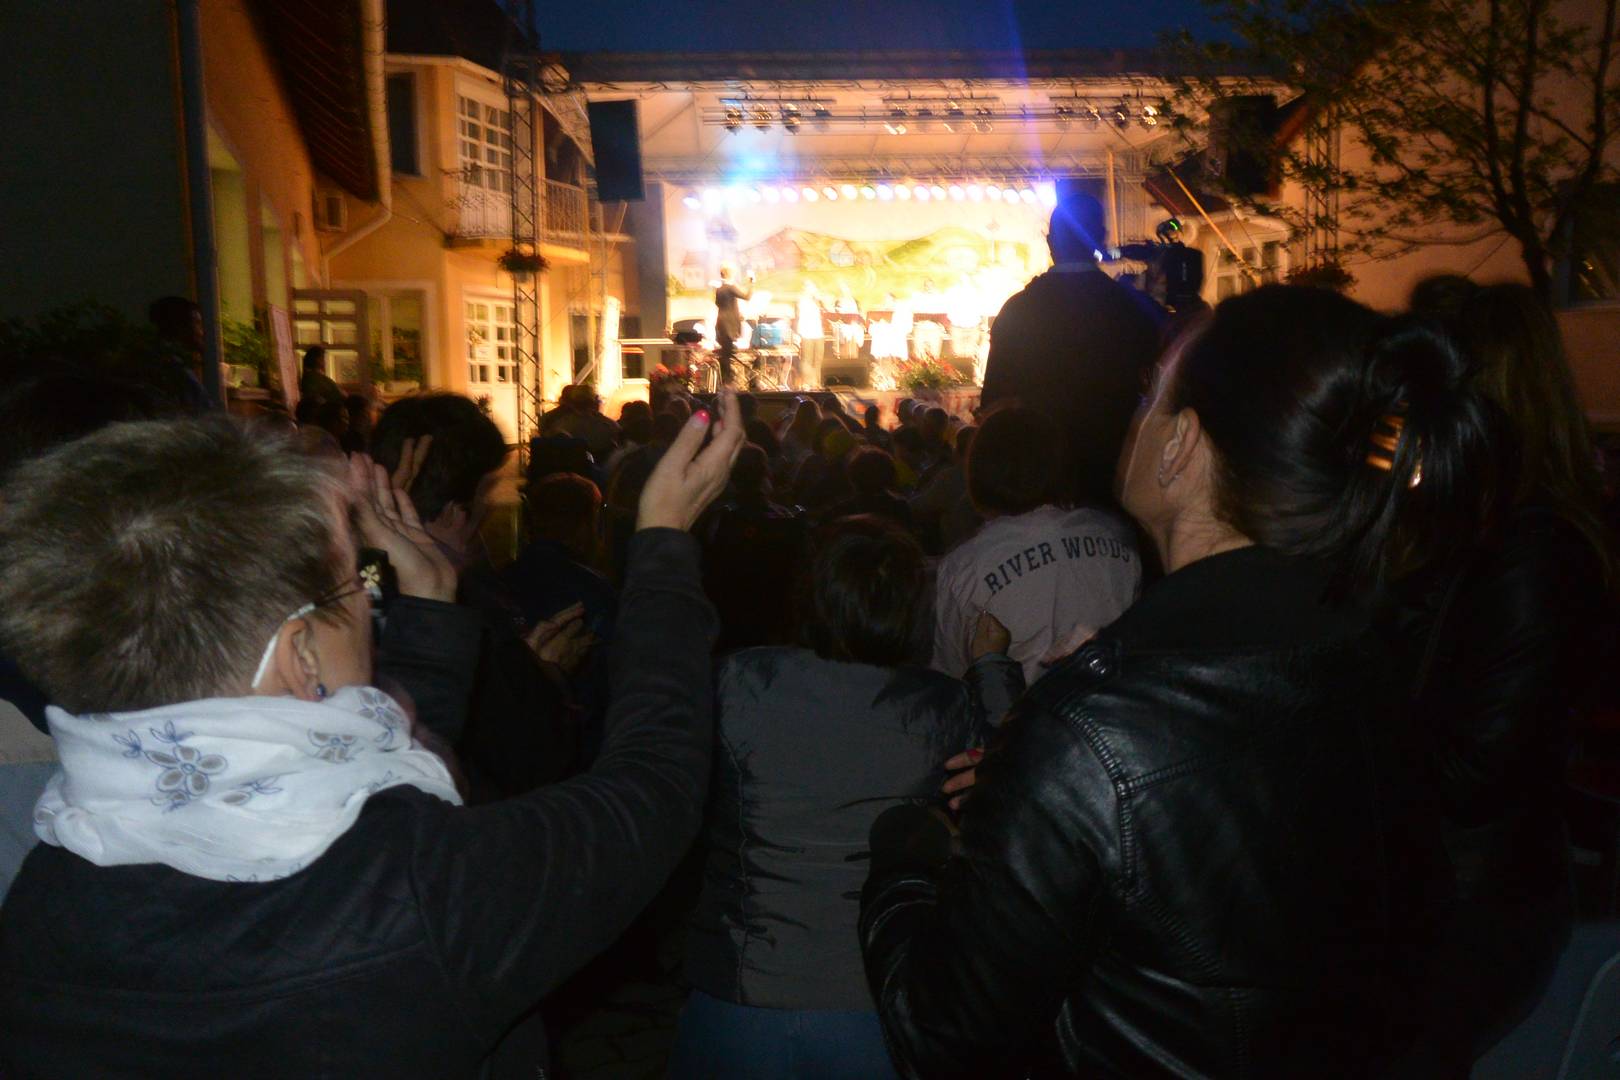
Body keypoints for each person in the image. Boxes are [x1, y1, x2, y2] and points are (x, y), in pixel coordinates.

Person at [0, 393, 745, 1076]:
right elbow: (654, 784)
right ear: (299, 655)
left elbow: (362, 770)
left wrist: (430, 610)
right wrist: (664, 543)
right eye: (356, 582)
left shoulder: (50, 886)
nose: (367, 598)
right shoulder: (426, 895)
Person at [860, 286, 1495, 1077]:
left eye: (1149, 396)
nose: (1134, 420)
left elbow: (940, 1034)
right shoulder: (1377, 655)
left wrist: (909, 850)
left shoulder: (1091, 729)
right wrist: (1038, 810)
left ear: (1180, 445)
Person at [671, 516, 1025, 1079]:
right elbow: (1015, 775)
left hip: (745, 990)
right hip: (874, 995)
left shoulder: (737, 681)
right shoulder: (945, 707)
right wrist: (991, 666)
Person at [1401, 280, 1614, 1066]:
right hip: (1457, 890)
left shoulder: (1531, 550)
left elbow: (1472, 771)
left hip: (1475, 905)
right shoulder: (1486, 527)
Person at [932, 406, 1140, 683]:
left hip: (1014, 709)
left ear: (982, 471)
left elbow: (949, 677)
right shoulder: (1117, 538)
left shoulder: (964, 567)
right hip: (1111, 703)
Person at [980, 192, 1163, 505]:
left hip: (1040, 482)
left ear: (1050, 242)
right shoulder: (1132, 309)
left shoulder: (1018, 310)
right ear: (1100, 239)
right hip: (1113, 475)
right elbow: (1156, 394)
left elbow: (994, 402)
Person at [701, 444, 808, 653]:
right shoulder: (789, 519)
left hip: (731, 620)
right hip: (776, 620)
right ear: (765, 474)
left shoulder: (718, 520)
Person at [714, 265, 754, 388]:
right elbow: (747, 296)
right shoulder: (730, 288)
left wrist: (735, 313)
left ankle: (726, 382)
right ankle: (728, 383)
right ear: (729, 274)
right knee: (726, 356)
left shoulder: (719, 289)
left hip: (722, 325)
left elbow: (719, 304)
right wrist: (751, 283)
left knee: (725, 355)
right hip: (728, 327)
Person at [795, 284, 824, 390]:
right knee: (807, 359)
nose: (814, 291)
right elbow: (800, 315)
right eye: (812, 289)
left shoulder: (817, 302)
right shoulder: (802, 301)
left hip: (818, 334)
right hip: (807, 333)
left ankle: (816, 382)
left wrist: (818, 300)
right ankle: (807, 383)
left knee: (818, 359)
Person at [298, 345, 344, 410]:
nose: (325, 361)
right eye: (322, 358)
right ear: (317, 359)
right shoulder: (312, 378)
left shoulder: (318, 376)